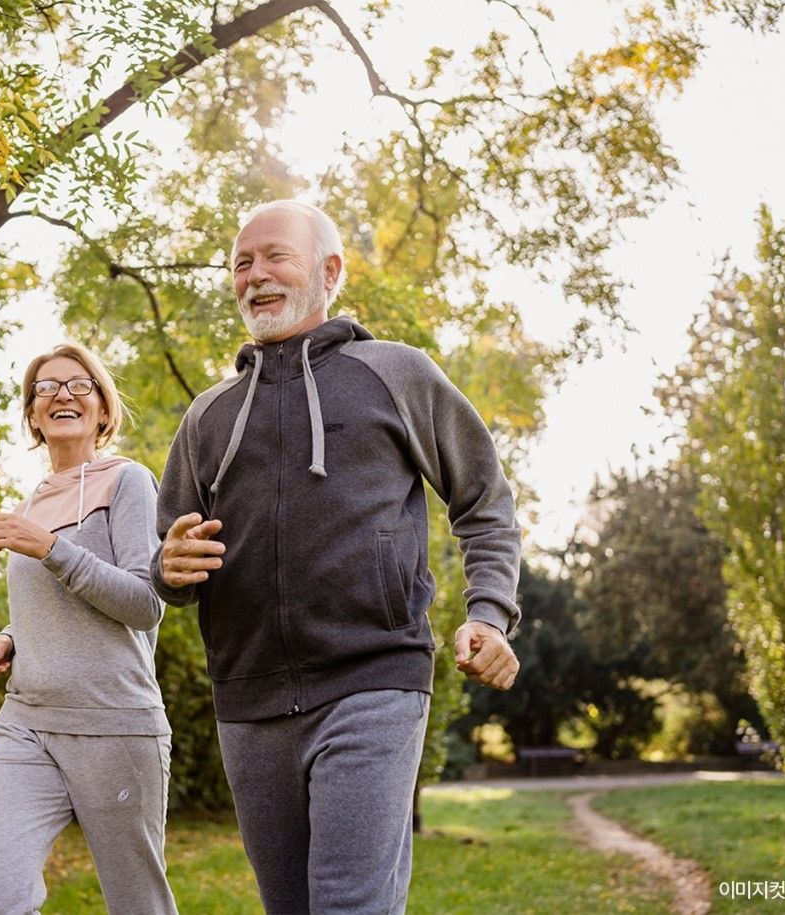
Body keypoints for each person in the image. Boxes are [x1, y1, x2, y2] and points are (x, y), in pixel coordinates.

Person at [151, 200, 522, 914]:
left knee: (348, 904)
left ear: (329, 271)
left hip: (372, 678)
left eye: (274, 256)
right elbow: (171, 563)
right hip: (249, 698)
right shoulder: (208, 415)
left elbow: (482, 496)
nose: (255, 274)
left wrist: (490, 612)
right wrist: (167, 567)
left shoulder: (395, 373)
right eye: (241, 262)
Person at [0, 343, 177, 915]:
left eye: (80, 385)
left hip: (114, 723)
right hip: (27, 724)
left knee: (138, 905)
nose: (63, 393)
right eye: (47, 387)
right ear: (33, 416)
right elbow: (55, 605)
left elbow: (145, 603)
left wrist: (52, 548)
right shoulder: (32, 501)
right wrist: (11, 636)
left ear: (103, 411)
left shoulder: (129, 482)